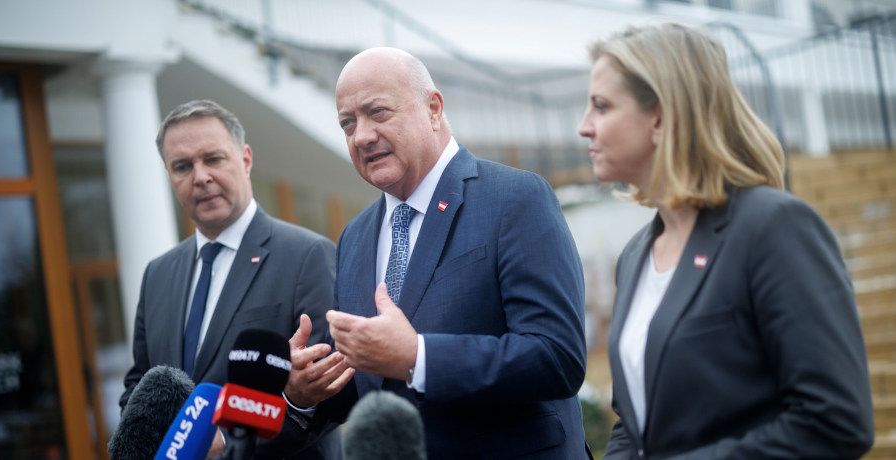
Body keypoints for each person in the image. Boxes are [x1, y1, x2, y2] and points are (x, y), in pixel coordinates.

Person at [577, 23, 874, 459]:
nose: (584, 127)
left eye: (601, 107)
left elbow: (835, 420)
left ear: (661, 116)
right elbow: (635, 426)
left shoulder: (774, 228)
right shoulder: (636, 255)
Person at [282, 47, 591, 459]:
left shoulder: (515, 199)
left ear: (433, 108)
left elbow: (556, 357)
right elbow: (368, 382)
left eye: (378, 113)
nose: (362, 136)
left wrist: (418, 357)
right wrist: (304, 391)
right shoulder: (354, 237)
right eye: (347, 123)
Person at [119, 99, 340, 459]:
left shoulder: (307, 255)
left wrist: (226, 442)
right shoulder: (157, 274)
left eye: (213, 158)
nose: (200, 176)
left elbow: (328, 387)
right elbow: (139, 383)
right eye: (182, 166)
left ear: (246, 159)